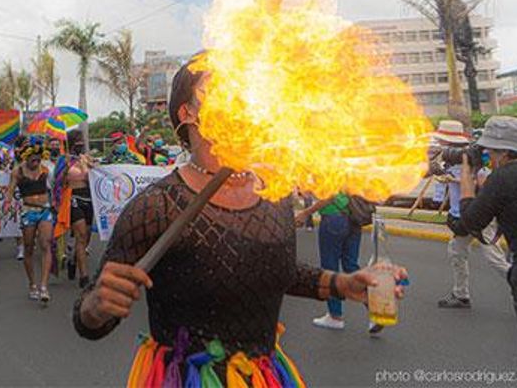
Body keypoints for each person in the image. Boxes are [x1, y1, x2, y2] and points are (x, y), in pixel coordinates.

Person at [73, 55, 407, 384]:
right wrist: (96, 307)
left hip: (259, 375)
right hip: (187, 378)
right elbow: (89, 319)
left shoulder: (272, 193)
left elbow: (278, 272)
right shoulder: (156, 206)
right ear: (187, 113)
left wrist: (343, 284)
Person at [453, 116, 517, 387]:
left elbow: (468, 222)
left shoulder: (504, 177)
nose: (489, 158)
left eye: (491, 152)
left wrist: (467, 176)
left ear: (505, 153)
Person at [431, 120, 510, 309]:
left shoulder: (475, 157)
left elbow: (484, 182)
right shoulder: (450, 158)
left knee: (494, 258)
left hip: (479, 214)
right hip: (462, 216)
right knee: (456, 252)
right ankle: (461, 294)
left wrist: (457, 179)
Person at [295, 192, 365, 332]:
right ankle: (375, 308)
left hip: (333, 220)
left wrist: (306, 213)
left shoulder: (329, 171)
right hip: (354, 220)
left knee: (330, 268)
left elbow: (329, 197)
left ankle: (335, 316)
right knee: (351, 266)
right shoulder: (350, 170)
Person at [7, 144, 54, 303]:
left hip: (45, 210)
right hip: (28, 212)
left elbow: (56, 185)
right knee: (28, 247)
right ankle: (32, 284)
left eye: (38, 160)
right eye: (33, 160)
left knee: (46, 244)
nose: (36, 163)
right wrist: (7, 205)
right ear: (26, 158)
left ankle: (44, 286)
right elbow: (10, 192)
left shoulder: (45, 170)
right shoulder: (18, 171)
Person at [64, 130, 96, 288]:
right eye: (76, 141)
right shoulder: (65, 161)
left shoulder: (87, 159)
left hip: (89, 198)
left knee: (86, 237)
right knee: (81, 235)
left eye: (81, 141)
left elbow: (95, 176)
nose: (79, 144)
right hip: (74, 198)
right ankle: (84, 276)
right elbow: (58, 182)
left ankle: (73, 259)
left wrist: (88, 164)